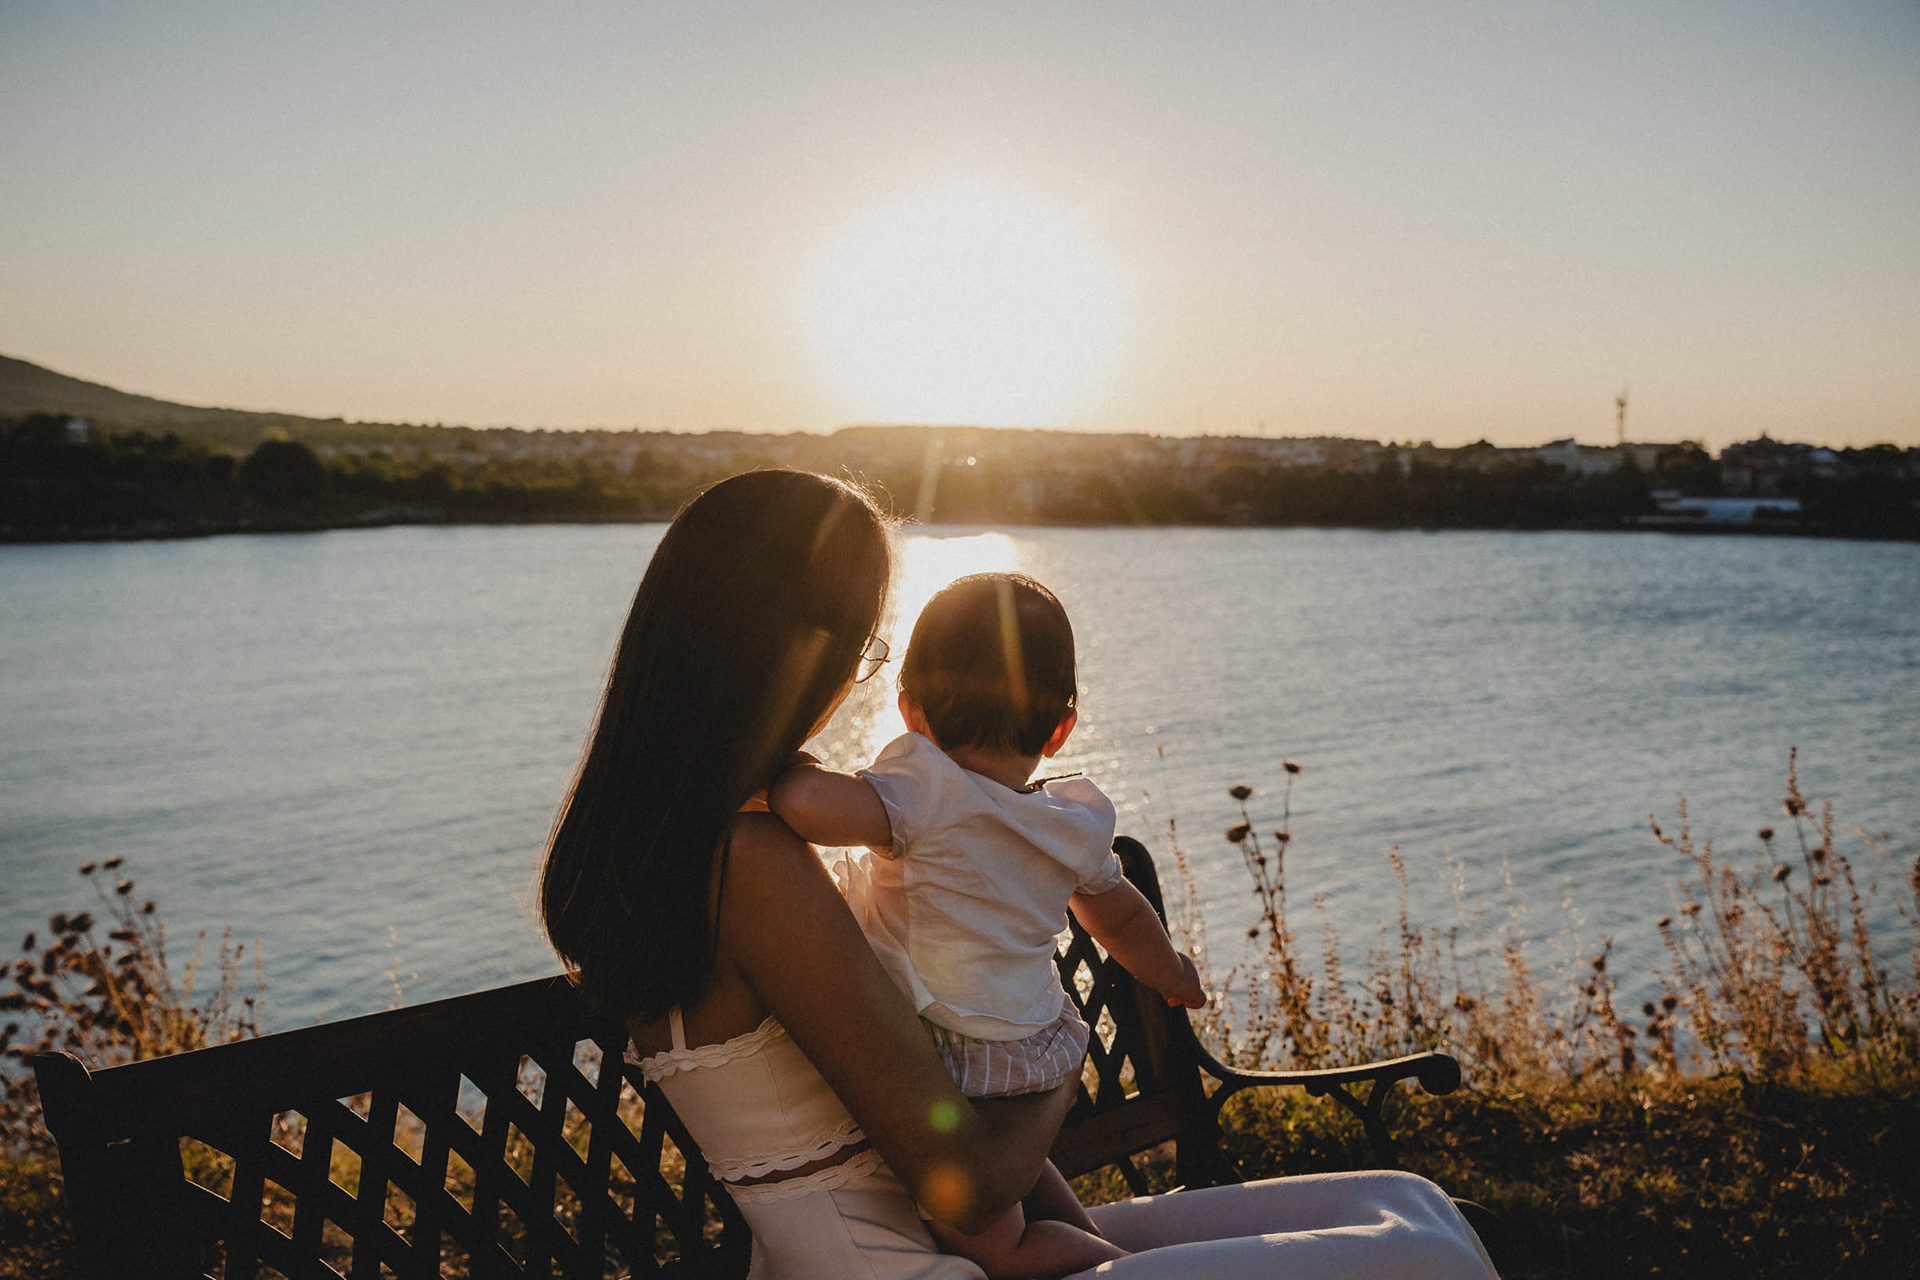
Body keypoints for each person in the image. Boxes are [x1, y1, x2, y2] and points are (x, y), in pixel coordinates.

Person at [539, 468, 1498, 1280]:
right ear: (793, 643)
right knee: (1418, 1255)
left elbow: (924, 1105)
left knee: (1406, 1204)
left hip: (941, 1244)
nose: (856, 681)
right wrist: (1063, 1045)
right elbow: (972, 1180)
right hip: (915, 1264)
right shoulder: (748, 863)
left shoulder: (699, 844)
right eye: (864, 648)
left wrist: (1079, 1237)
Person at [768, 572, 1203, 1278]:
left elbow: (807, 807)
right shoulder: (1072, 823)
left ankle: (1130, 1271)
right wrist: (1174, 974)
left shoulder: (924, 789)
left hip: (952, 1059)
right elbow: (1119, 916)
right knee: (1020, 1182)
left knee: (999, 1248)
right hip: (1028, 1044)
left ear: (910, 710)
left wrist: (780, 765)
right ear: (1061, 729)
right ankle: (1088, 1239)